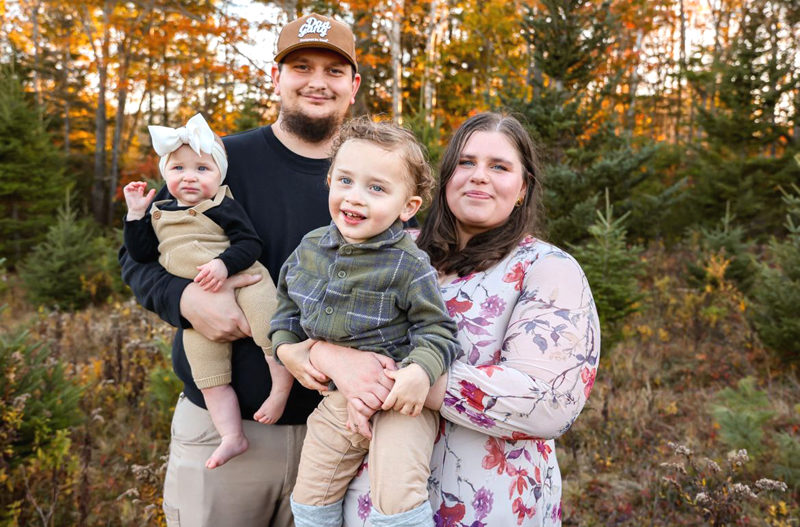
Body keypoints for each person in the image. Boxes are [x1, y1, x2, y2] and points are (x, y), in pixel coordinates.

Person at [119, 12, 394, 527]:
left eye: (334, 71)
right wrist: (186, 300)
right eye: (302, 67)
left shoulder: (376, 176)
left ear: (353, 86)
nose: (317, 82)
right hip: (227, 431)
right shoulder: (216, 161)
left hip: (341, 435)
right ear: (276, 77)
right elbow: (137, 257)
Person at [291, 112, 601, 526]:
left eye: (499, 167)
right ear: (446, 175)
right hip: (367, 503)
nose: (479, 176)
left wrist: (415, 376)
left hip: (483, 507)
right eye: (466, 162)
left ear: (522, 187)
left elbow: (549, 403)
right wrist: (326, 356)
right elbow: (316, 313)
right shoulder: (391, 246)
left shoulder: (546, 269)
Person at [271, 118, 459, 527]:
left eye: (376, 188)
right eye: (345, 181)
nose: (355, 198)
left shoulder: (409, 265)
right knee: (309, 495)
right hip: (339, 397)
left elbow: (439, 330)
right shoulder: (310, 248)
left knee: (395, 497)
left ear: (407, 206)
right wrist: (288, 347)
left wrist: (419, 373)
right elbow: (285, 306)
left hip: (399, 400)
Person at [122, 113, 294, 470]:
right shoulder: (159, 211)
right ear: (167, 175)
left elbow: (250, 243)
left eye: (202, 169)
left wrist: (223, 264)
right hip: (197, 312)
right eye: (179, 169)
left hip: (246, 278)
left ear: (219, 176)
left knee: (270, 332)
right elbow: (139, 256)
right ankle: (231, 435)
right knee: (209, 376)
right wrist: (135, 216)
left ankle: (279, 390)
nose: (190, 177)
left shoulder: (221, 204)